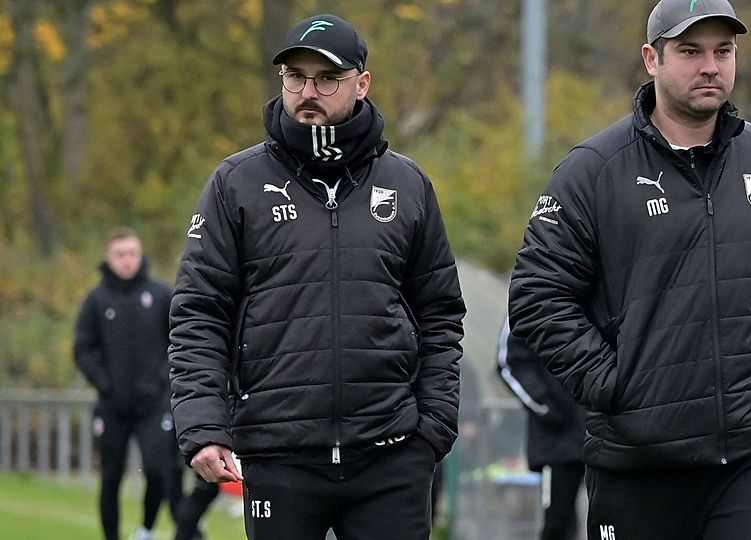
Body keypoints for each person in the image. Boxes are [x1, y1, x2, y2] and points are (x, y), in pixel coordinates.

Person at [508, 1, 751, 538]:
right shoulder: (593, 171)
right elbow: (537, 298)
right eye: (690, 51)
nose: (711, 66)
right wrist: (614, 385)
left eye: (723, 51)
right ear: (651, 59)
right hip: (639, 466)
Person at [168, 13, 466, 540]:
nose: (309, 91)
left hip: (391, 455)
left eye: (327, 78)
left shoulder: (407, 183)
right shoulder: (235, 184)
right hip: (276, 454)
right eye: (295, 78)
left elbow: (440, 312)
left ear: (361, 83)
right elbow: (198, 314)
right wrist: (204, 428)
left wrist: (432, 427)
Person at [74, 228, 181, 540]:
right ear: (109, 257)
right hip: (112, 407)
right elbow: (83, 347)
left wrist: (163, 379)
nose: (127, 260)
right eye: (120, 254)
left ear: (140, 254)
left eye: (132, 253)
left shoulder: (161, 295)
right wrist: (104, 383)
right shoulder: (96, 300)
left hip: (153, 405)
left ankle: (146, 530)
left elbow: (179, 340)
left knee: (158, 471)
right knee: (110, 478)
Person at [497, 318, 586, 540]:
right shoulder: (529, 292)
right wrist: (545, 406)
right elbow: (509, 362)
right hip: (559, 437)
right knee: (558, 524)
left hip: (607, 431)